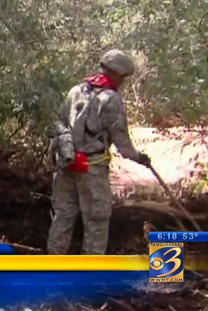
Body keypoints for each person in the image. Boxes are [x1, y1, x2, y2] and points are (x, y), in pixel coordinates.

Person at [46, 49, 151, 255]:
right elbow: (122, 141)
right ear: (115, 72)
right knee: (97, 220)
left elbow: (59, 122)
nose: (123, 81)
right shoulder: (110, 98)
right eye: (123, 76)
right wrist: (140, 158)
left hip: (66, 162)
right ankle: (91, 272)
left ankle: (53, 263)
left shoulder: (76, 91)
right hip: (91, 167)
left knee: (63, 215)